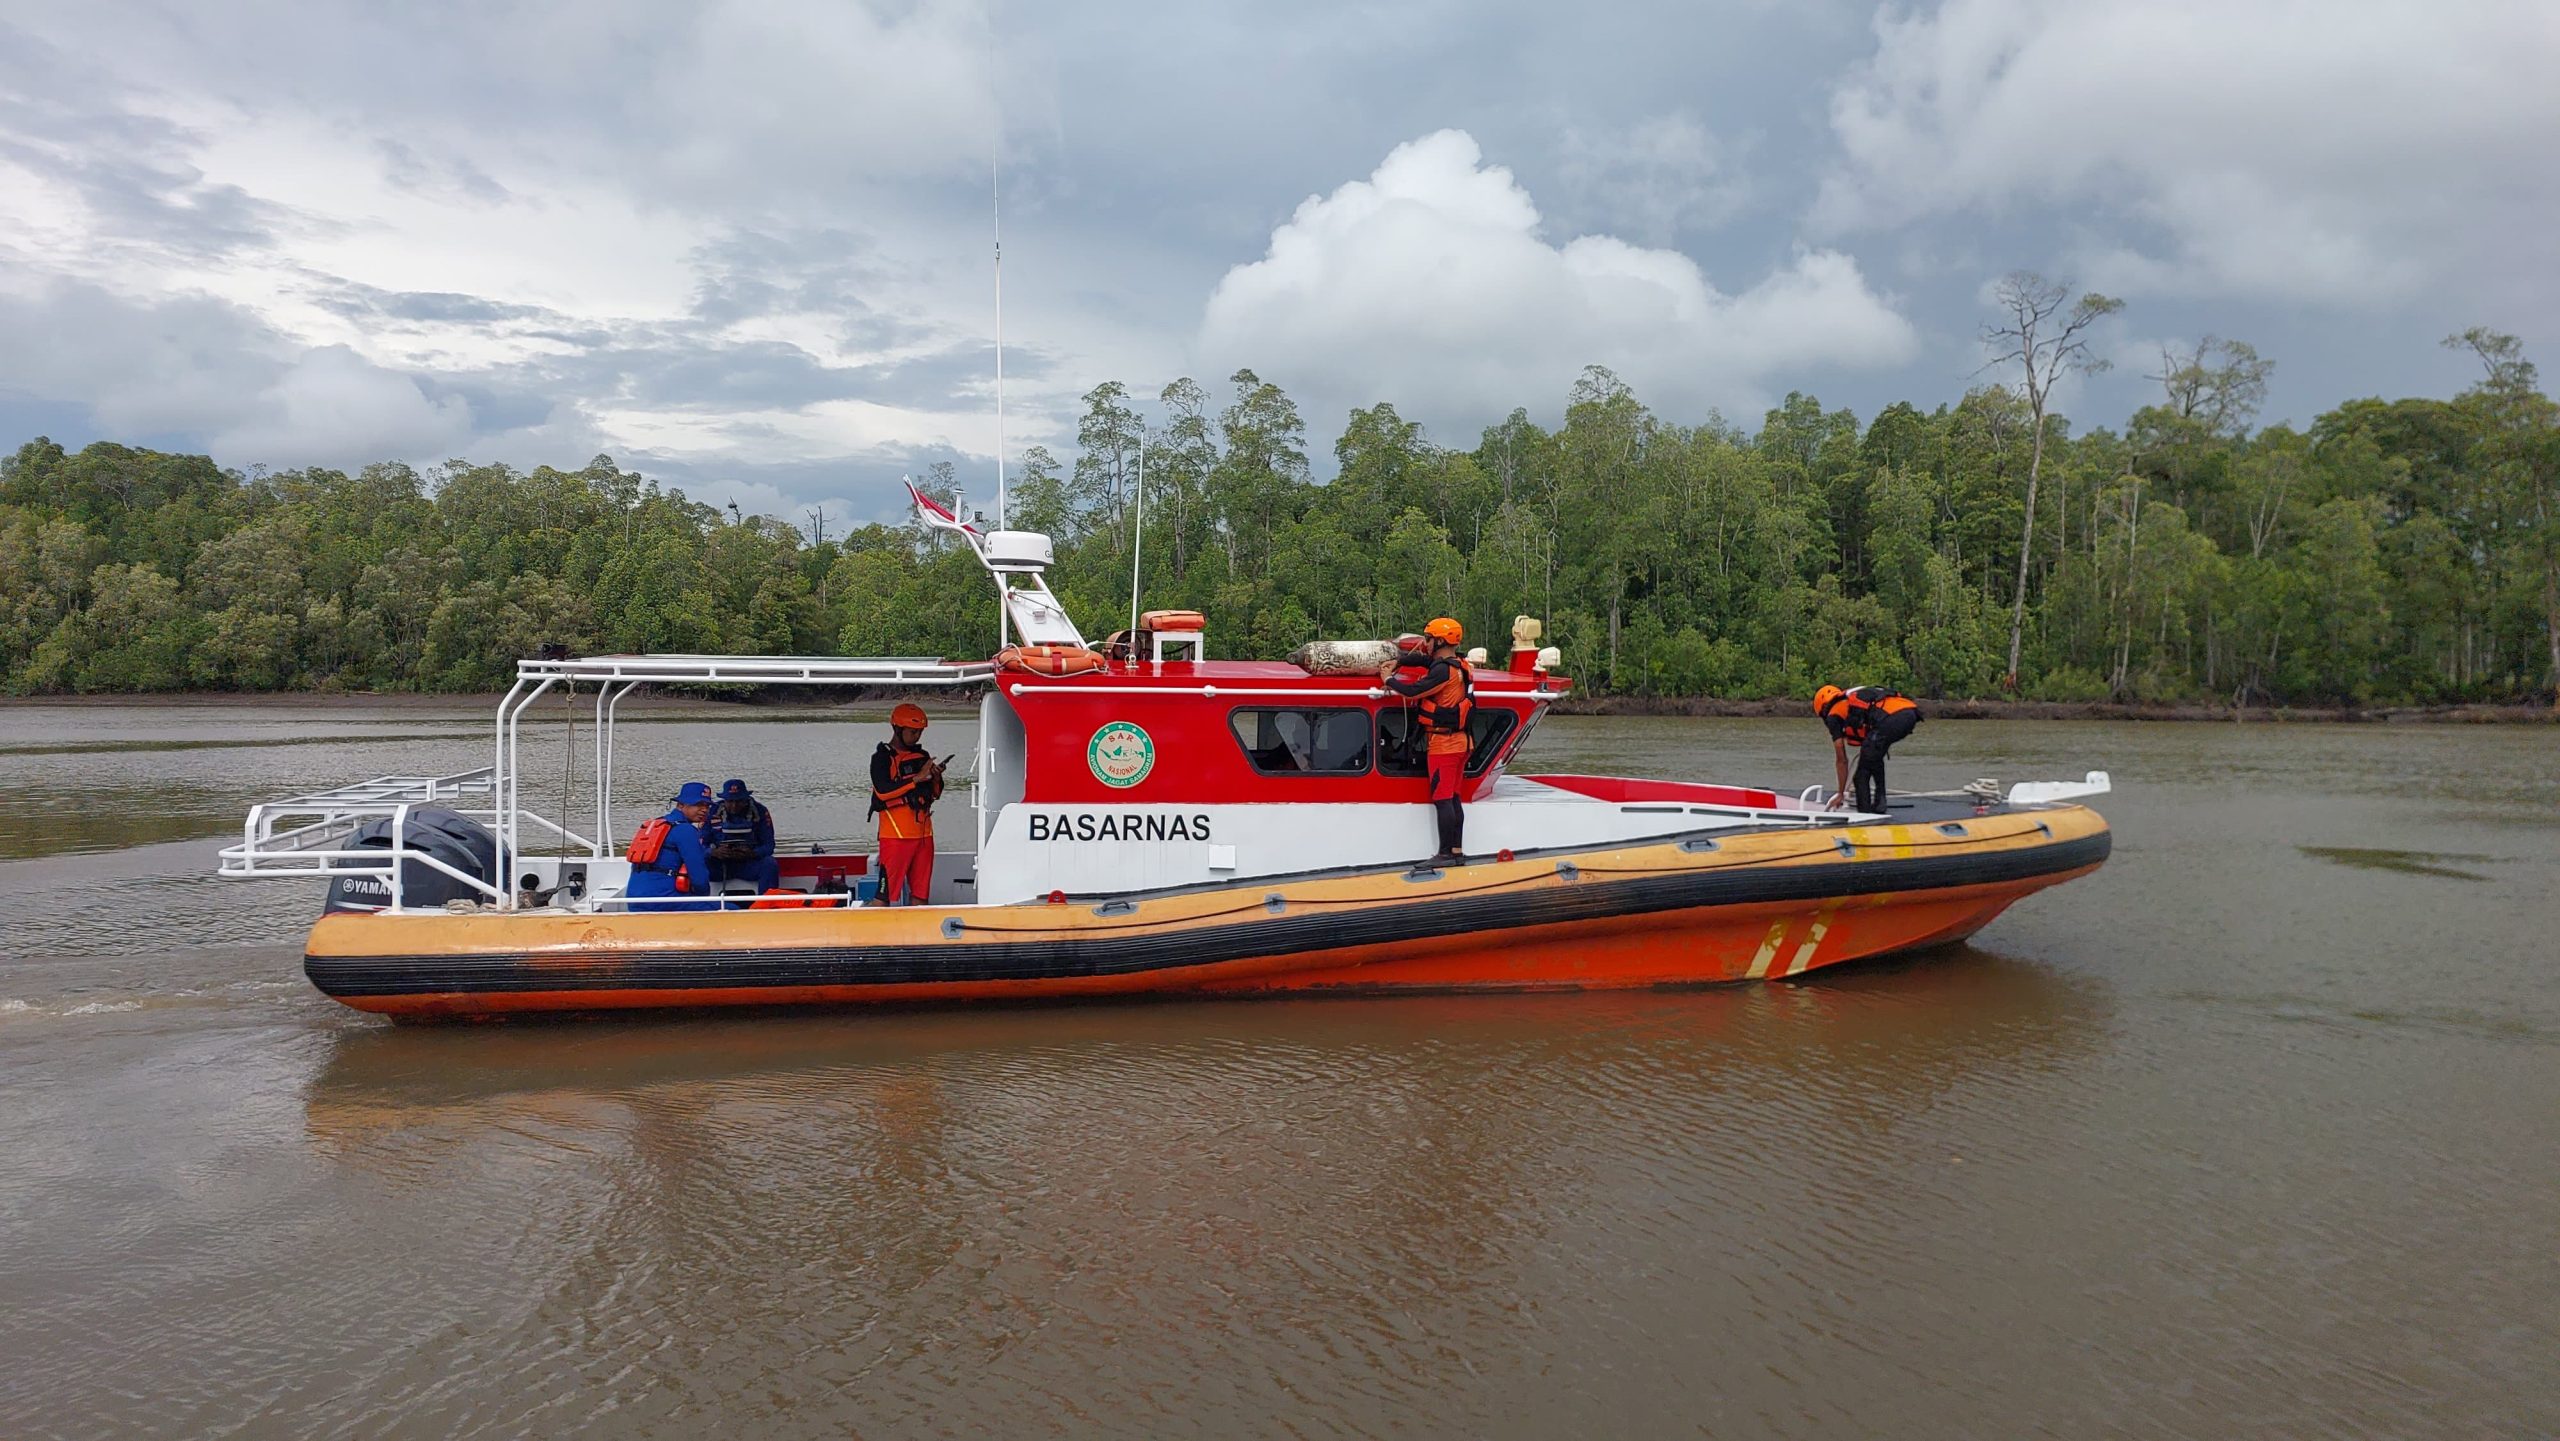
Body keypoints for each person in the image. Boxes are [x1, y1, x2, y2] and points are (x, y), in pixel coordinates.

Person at [1380, 616, 1474, 861]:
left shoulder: (1443, 671)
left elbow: (1414, 691)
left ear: (1440, 641)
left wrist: (1388, 679)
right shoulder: (1459, 664)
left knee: (1443, 799)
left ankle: (1444, 854)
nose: (1426, 644)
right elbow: (1423, 660)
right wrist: (1399, 659)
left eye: (1429, 639)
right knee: (1453, 799)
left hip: (1445, 745)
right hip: (1461, 743)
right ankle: (1457, 850)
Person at [869, 703, 946, 905]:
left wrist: (935, 778)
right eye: (913, 732)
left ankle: (917, 935)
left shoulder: (922, 757)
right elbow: (883, 792)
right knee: (884, 895)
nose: (917, 736)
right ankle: (874, 933)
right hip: (895, 837)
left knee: (921, 894)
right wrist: (915, 779)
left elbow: (935, 794)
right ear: (897, 728)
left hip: (924, 836)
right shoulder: (881, 758)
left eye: (919, 732)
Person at [1814, 684, 1923, 814]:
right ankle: (1880, 803)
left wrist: (1840, 793)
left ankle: (1864, 815)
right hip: (1909, 713)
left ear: (1823, 708)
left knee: (1861, 776)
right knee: (1874, 756)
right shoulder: (1848, 702)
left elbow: (1841, 760)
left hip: (1891, 719)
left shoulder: (1834, 715)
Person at [626, 781, 718, 912]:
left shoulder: (657, 824)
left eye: (707, 806)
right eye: (698, 805)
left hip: (633, 900)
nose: (704, 810)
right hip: (663, 901)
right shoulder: (685, 830)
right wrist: (704, 900)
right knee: (731, 909)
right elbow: (699, 877)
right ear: (680, 805)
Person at [702, 777, 779, 898]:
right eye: (730, 801)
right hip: (718, 865)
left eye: (738, 801)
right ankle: (700, 905)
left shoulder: (760, 811)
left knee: (769, 863)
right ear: (724, 800)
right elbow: (699, 845)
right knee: (698, 863)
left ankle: (767, 905)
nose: (734, 806)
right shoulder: (711, 812)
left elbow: (769, 845)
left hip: (749, 864)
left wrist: (752, 853)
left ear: (746, 799)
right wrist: (714, 852)